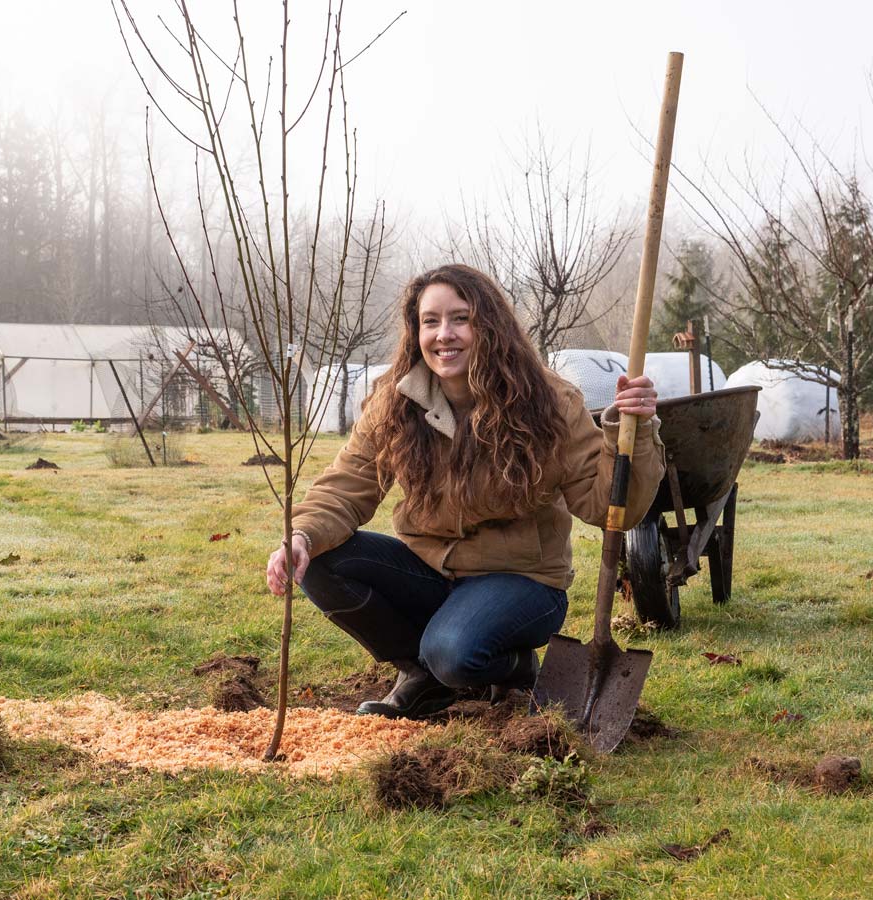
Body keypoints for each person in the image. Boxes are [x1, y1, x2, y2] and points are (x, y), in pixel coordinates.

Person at [265, 264, 665, 719]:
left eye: (461, 318)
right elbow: (345, 487)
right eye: (430, 321)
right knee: (318, 559)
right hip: (432, 573)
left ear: (488, 325)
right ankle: (421, 676)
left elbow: (608, 508)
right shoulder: (395, 402)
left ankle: (512, 666)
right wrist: (300, 535)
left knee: (453, 652)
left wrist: (633, 431)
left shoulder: (549, 402)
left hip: (523, 582)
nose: (444, 335)